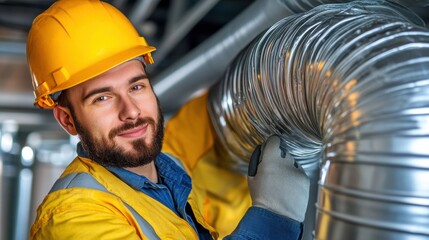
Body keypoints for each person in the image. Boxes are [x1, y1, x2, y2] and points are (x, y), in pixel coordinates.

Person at [27, 0, 310, 239]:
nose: (131, 111)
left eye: (136, 87)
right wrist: (274, 216)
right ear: (68, 120)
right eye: (102, 98)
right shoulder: (73, 218)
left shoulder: (169, 172)